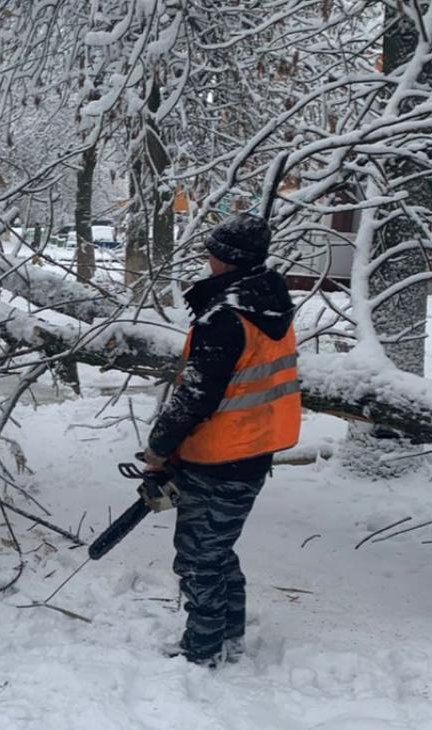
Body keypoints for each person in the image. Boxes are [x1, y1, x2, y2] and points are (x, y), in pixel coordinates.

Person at [140, 213, 302, 667]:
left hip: (218, 454)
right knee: (218, 550)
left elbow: (195, 395)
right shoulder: (267, 302)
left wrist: (158, 449)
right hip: (252, 450)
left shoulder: (225, 317)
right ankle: (228, 638)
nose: (206, 258)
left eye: (212, 252)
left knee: (197, 559)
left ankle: (203, 649)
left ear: (227, 259)